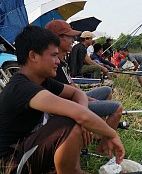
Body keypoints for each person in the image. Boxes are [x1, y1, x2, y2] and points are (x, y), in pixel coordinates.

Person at [0, 25, 125, 173]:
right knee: (69, 124)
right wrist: (111, 133)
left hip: (27, 148)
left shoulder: (41, 80)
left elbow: (76, 94)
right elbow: (80, 115)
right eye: (53, 55)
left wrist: (82, 112)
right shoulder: (21, 87)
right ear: (33, 56)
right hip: (12, 164)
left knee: (74, 119)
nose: (58, 61)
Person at [45, 20, 122, 131]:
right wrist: (89, 100)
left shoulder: (63, 61)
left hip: (75, 98)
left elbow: (71, 84)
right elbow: (67, 93)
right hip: (69, 105)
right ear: (58, 38)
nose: (73, 40)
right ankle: (104, 144)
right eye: (70, 37)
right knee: (116, 107)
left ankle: (97, 132)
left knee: (106, 90)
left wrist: (88, 98)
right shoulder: (53, 64)